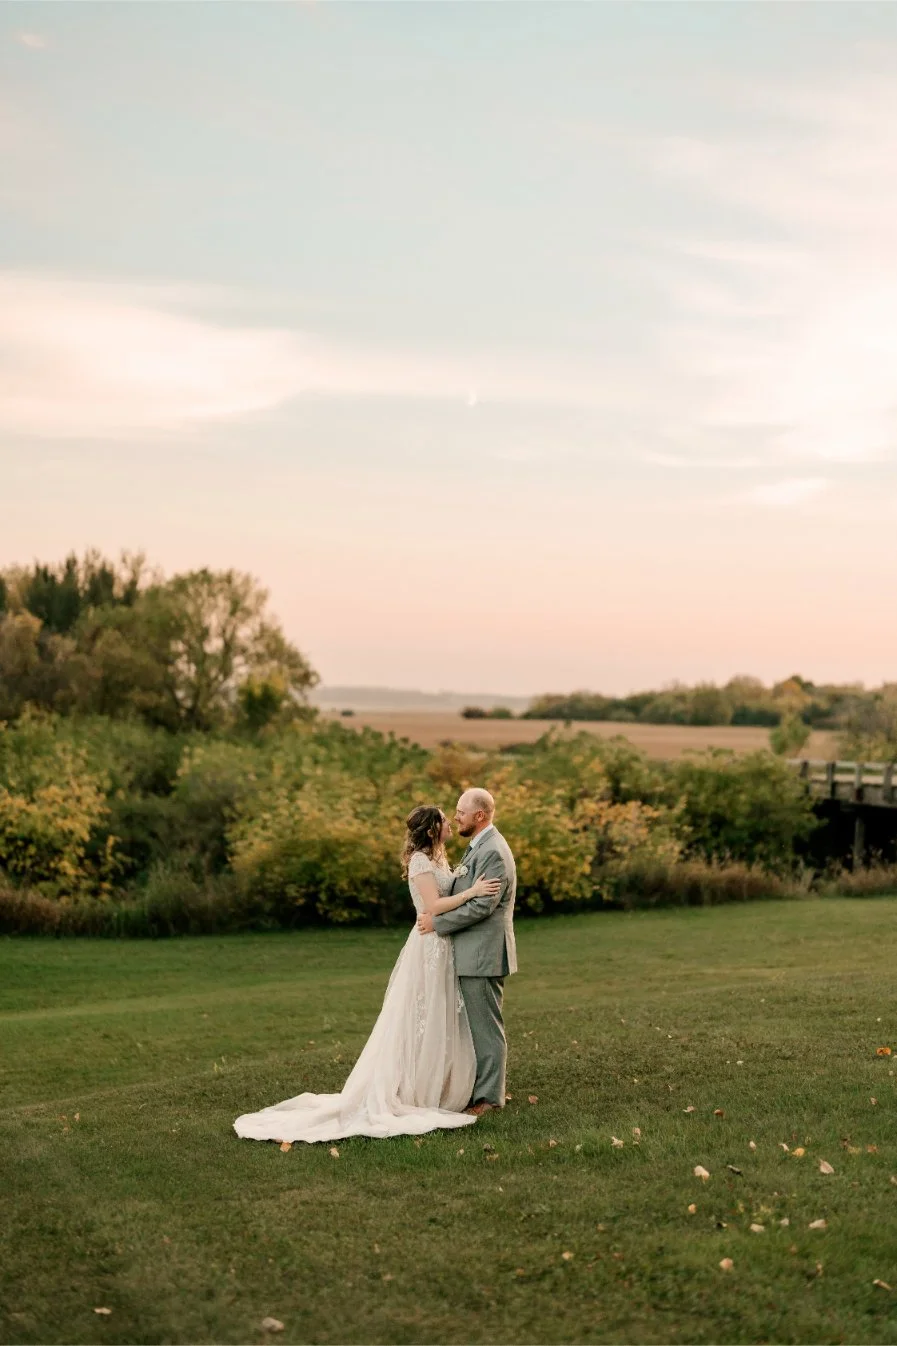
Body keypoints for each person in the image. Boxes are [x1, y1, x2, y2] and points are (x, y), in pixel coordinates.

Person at [233, 804, 500, 1144]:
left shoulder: (440, 858)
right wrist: (473, 892)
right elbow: (432, 906)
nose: (451, 823)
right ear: (433, 829)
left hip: (443, 945)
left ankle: (444, 1084)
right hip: (428, 945)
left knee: (441, 1013)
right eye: (445, 820)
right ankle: (415, 1089)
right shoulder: (420, 860)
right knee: (420, 1014)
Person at [416, 788, 517, 1116]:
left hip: (482, 953)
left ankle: (489, 1099)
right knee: (474, 1026)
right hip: (470, 952)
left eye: (460, 812)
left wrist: (437, 922)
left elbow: (482, 907)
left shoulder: (493, 852)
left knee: (486, 1027)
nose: (455, 817)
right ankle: (478, 1089)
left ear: (480, 816)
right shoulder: (480, 846)